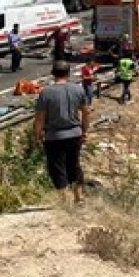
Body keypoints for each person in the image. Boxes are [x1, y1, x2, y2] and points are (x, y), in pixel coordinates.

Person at [34, 61, 90, 203]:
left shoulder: (45, 92)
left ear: (53, 74)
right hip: (74, 133)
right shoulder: (78, 90)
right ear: (68, 73)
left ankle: (63, 200)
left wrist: (38, 135)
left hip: (54, 136)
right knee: (74, 164)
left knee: (56, 167)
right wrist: (84, 131)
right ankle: (79, 197)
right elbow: (86, 112)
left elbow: (40, 118)